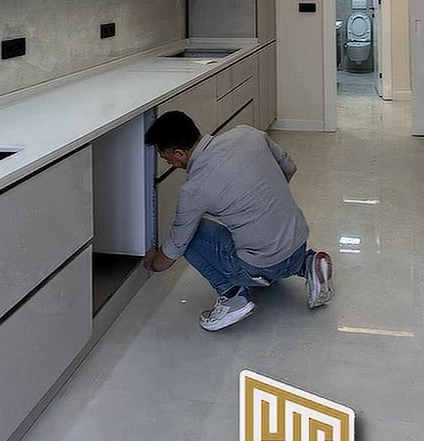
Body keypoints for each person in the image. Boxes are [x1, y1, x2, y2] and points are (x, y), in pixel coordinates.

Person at [142, 110, 334, 332]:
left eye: (165, 157)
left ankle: (233, 296)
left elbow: (175, 247)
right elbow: (289, 168)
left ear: (179, 153)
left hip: (263, 266)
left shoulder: (193, 190)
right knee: (251, 230)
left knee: (193, 234)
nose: (167, 162)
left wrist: (153, 263)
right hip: (298, 244)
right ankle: (308, 263)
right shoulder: (248, 134)